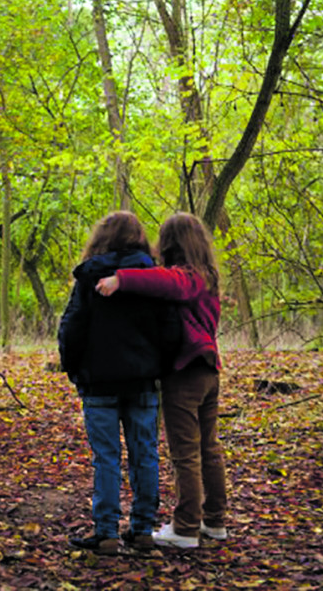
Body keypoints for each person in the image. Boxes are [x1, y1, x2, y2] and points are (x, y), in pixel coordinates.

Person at [95, 212, 228, 549]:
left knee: (186, 452)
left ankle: (185, 529)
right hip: (208, 369)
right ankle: (214, 522)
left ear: (171, 243)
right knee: (208, 449)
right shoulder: (208, 276)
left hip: (187, 372)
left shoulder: (188, 277)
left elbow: (168, 282)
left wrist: (121, 279)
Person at [58, 211, 178, 555]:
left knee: (106, 457)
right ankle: (142, 530)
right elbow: (169, 329)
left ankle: (107, 532)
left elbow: (72, 327)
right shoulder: (153, 279)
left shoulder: (89, 277)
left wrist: (75, 369)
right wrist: (160, 368)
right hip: (141, 381)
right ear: (139, 238)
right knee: (145, 454)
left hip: (98, 383)